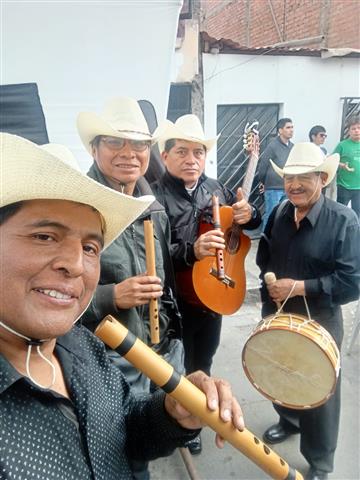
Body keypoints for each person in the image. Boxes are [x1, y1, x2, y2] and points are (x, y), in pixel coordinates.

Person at [0, 132, 245, 480]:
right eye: (44, 236)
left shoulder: (83, 347)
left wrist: (171, 412)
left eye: (90, 247)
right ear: (94, 149)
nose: (75, 264)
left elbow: (122, 435)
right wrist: (111, 296)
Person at [77, 97, 184, 479]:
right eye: (115, 143)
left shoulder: (152, 205)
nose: (129, 154)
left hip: (158, 347)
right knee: (124, 452)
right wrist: (110, 296)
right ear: (94, 148)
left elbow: (165, 273)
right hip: (105, 358)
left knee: (158, 428)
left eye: (139, 145)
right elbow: (52, 293)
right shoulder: (78, 207)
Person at [151, 114, 261, 454]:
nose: (191, 160)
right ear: (165, 156)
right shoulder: (154, 198)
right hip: (176, 300)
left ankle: (201, 415)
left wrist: (250, 213)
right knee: (176, 365)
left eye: (198, 152)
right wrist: (190, 251)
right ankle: (176, 419)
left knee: (206, 360)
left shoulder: (216, 188)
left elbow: (242, 229)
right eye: (182, 151)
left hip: (213, 295)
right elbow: (152, 254)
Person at [256, 142, 360, 480]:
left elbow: (352, 282)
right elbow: (264, 259)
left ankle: (320, 460)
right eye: (289, 178)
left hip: (321, 317)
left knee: (320, 389)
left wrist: (299, 287)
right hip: (278, 312)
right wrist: (270, 290)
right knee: (280, 375)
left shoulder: (344, 220)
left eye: (304, 178)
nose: (295, 185)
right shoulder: (279, 213)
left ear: (322, 178)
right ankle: (290, 421)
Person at [257, 117, 294, 229]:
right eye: (288, 127)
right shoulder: (272, 146)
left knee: (285, 215)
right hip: (273, 188)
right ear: (280, 130)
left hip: (287, 187)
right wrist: (263, 182)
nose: (291, 130)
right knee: (271, 214)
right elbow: (263, 165)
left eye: (292, 127)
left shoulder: (292, 147)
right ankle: (265, 238)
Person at [334, 115, 360, 218]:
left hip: (359, 187)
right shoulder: (342, 145)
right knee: (340, 213)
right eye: (353, 129)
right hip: (344, 186)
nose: (356, 131)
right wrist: (342, 165)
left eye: (359, 128)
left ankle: (355, 233)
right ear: (349, 131)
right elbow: (332, 160)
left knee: (357, 213)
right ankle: (340, 232)